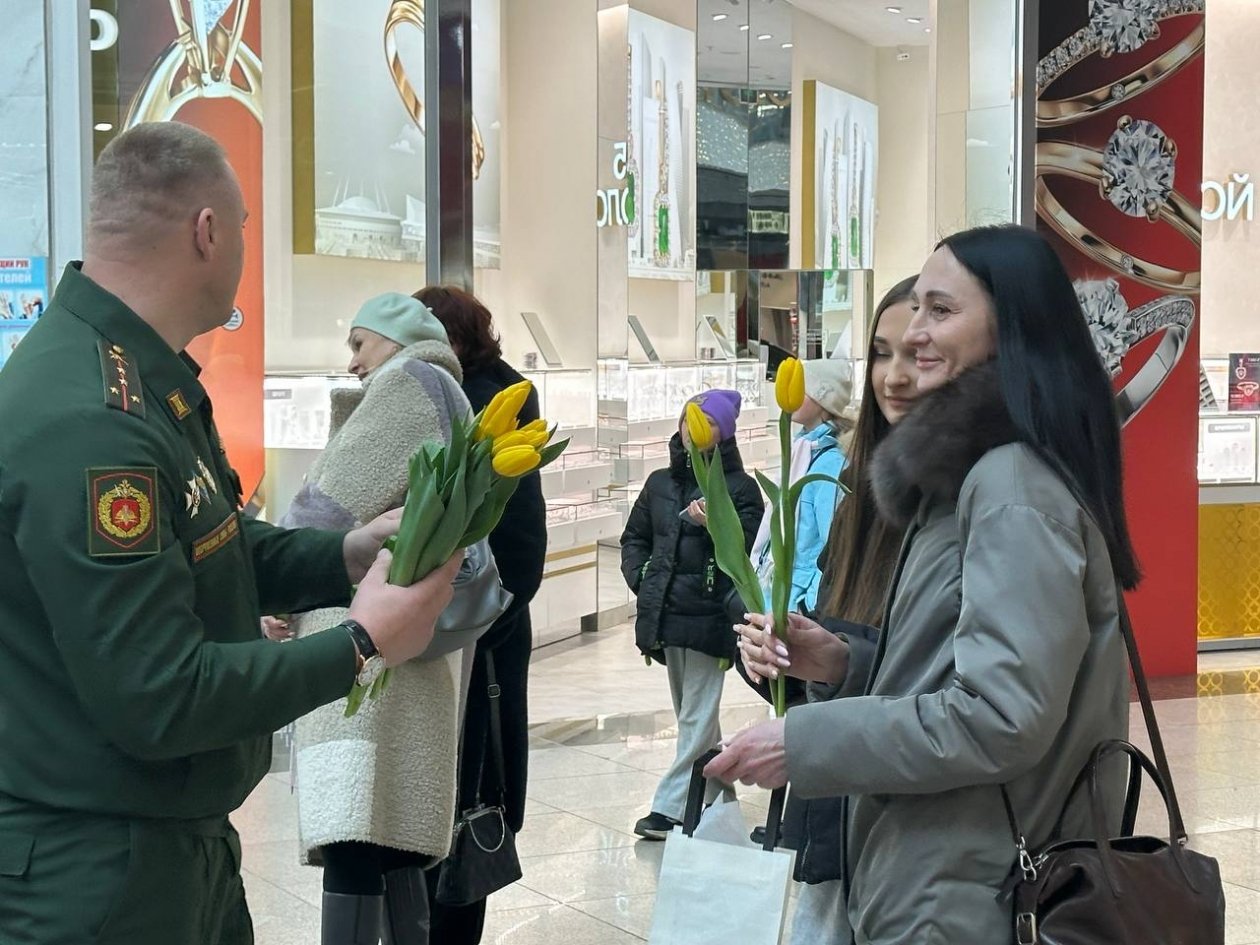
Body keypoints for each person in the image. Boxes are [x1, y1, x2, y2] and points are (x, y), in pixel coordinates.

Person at [0, 122, 460, 945]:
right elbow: (162, 693)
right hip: (101, 877)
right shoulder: (95, 418)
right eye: (244, 226)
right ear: (207, 232)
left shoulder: (145, 377)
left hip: (170, 845)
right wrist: (360, 643)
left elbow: (215, 542)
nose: (246, 249)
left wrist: (344, 554)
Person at [710, 225, 1138, 944]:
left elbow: (1002, 716)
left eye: (940, 310)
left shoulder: (1010, 485)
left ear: (1012, 324)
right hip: (941, 878)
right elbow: (971, 672)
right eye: (916, 311)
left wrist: (805, 742)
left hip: (972, 891)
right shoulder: (966, 480)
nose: (914, 334)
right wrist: (845, 664)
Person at [275, 292, 507, 945]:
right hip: (410, 660)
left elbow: (329, 504)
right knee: (393, 839)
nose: (352, 362)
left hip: (368, 662)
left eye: (359, 343)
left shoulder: (409, 382)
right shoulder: (445, 391)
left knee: (351, 835)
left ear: (396, 337)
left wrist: (274, 583)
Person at [736, 278, 922, 944]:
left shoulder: (979, 502)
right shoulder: (857, 479)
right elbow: (850, 635)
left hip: (917, 815)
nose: (895, 376)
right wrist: (799, 648)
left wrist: (834, 664)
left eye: (919, 352)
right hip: (845, 790)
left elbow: (967, 697)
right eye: (882, 353)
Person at [412, 285, 548, 943]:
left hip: (474, 641)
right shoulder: (443, 393)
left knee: (466, 798)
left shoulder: (491, 402)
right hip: (448, 633)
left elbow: (518, 548)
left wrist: (460, 619)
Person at [621, 389, 764, 840]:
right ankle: (718, 797)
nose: (693, 428)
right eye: (688, 418)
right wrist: (644, 578)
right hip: (667, 615)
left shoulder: (741, 489)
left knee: (695, 718)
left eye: (707, 421)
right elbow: (634, 538)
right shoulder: (659, 483)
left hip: (710, 618)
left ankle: (670, 808)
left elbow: (747, 553)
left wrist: (715, 523)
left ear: (725, 433)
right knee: (695, 715)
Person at [750, 358, 851, 614]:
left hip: (800, 601)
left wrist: (811, 603)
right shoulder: (801, 450)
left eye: (802, 389)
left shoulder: (830, 462)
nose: (792, 394)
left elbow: (832, 544)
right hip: (781, 591)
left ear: (824, 402)